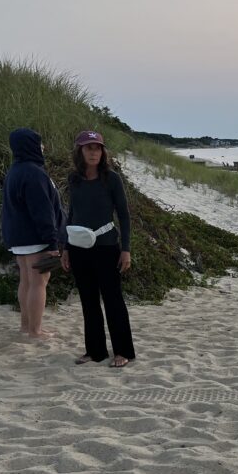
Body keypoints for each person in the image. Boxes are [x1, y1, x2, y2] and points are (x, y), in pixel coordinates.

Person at [60, 130, 136, 368]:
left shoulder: (111, 178)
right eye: (88, 148)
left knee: (113, 300)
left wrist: (126, 249)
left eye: (97, 148)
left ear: (103, 152)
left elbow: (123, 215)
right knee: (88, 301)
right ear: (80, 151)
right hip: (79, 248)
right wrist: (66, 248)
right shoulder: (74, 178)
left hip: (106, 247)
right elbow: (72, 213)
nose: (93, 152)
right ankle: (95, 351)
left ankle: (123, 351)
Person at [1, 128, 64, 338]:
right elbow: (43, 211)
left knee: (26, 281)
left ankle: (26, 326)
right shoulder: (34, 173)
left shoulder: (14, 171)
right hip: (36, 237)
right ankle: (35, 330)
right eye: (39, 143)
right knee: (38, 282)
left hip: (19, 237)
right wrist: (52, 243)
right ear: (30, 146)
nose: (42, 147)